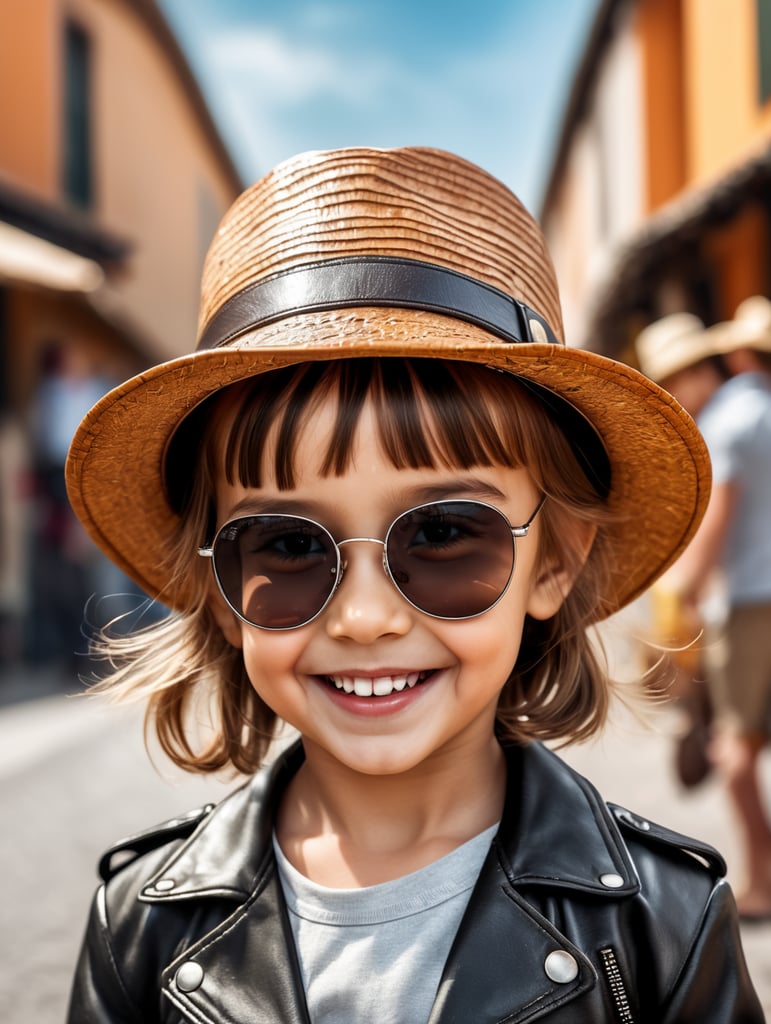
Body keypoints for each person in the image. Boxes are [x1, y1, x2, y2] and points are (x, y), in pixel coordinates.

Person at [65, 148, 762, 1022]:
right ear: (217, 581)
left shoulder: (665, 922)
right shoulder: (139, 923)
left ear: (555, 559)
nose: (363, 617)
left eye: (441, 535)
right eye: (285, 543)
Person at [665, 295, 771, 922]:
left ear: (727, 358)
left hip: (753, 604)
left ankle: (762, 881)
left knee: (734, 753)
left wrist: (683, 589)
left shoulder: (731, 421)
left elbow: (721, 517)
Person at [634, 313, 729, 788]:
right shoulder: (711, 426)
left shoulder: (723, 428)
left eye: (673, 381)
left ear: (695, 373)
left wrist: (689, 587)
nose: (674, 393)